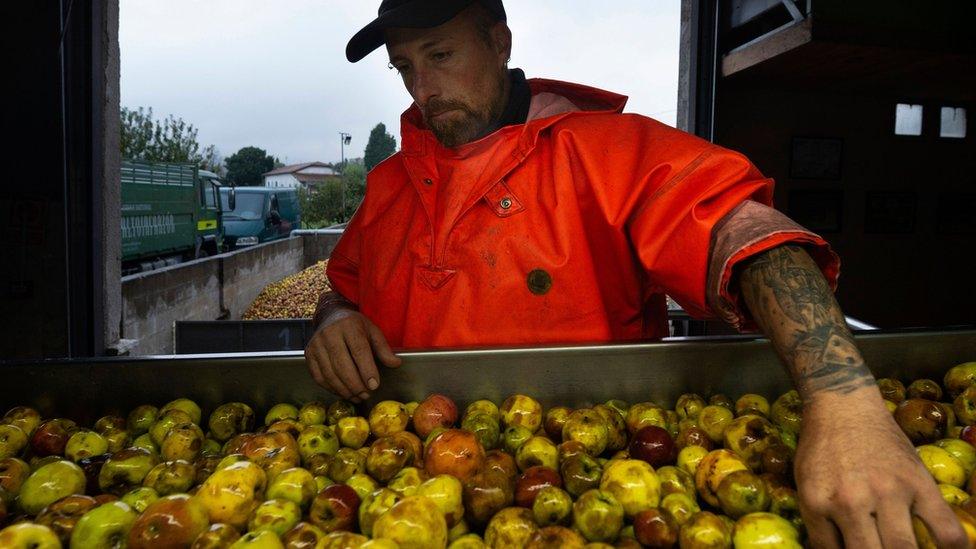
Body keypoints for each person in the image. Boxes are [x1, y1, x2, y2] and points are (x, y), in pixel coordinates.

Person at [304, 1, 967, 547]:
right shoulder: (389, 185)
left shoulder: (606, 152)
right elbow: (347, 288)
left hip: (594, 485)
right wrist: (335, 318)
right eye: (405, 68)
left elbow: (749, 237)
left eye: (441, 56)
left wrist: (845, 406)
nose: (424, 89)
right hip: (408, 496)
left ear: (499, 42)